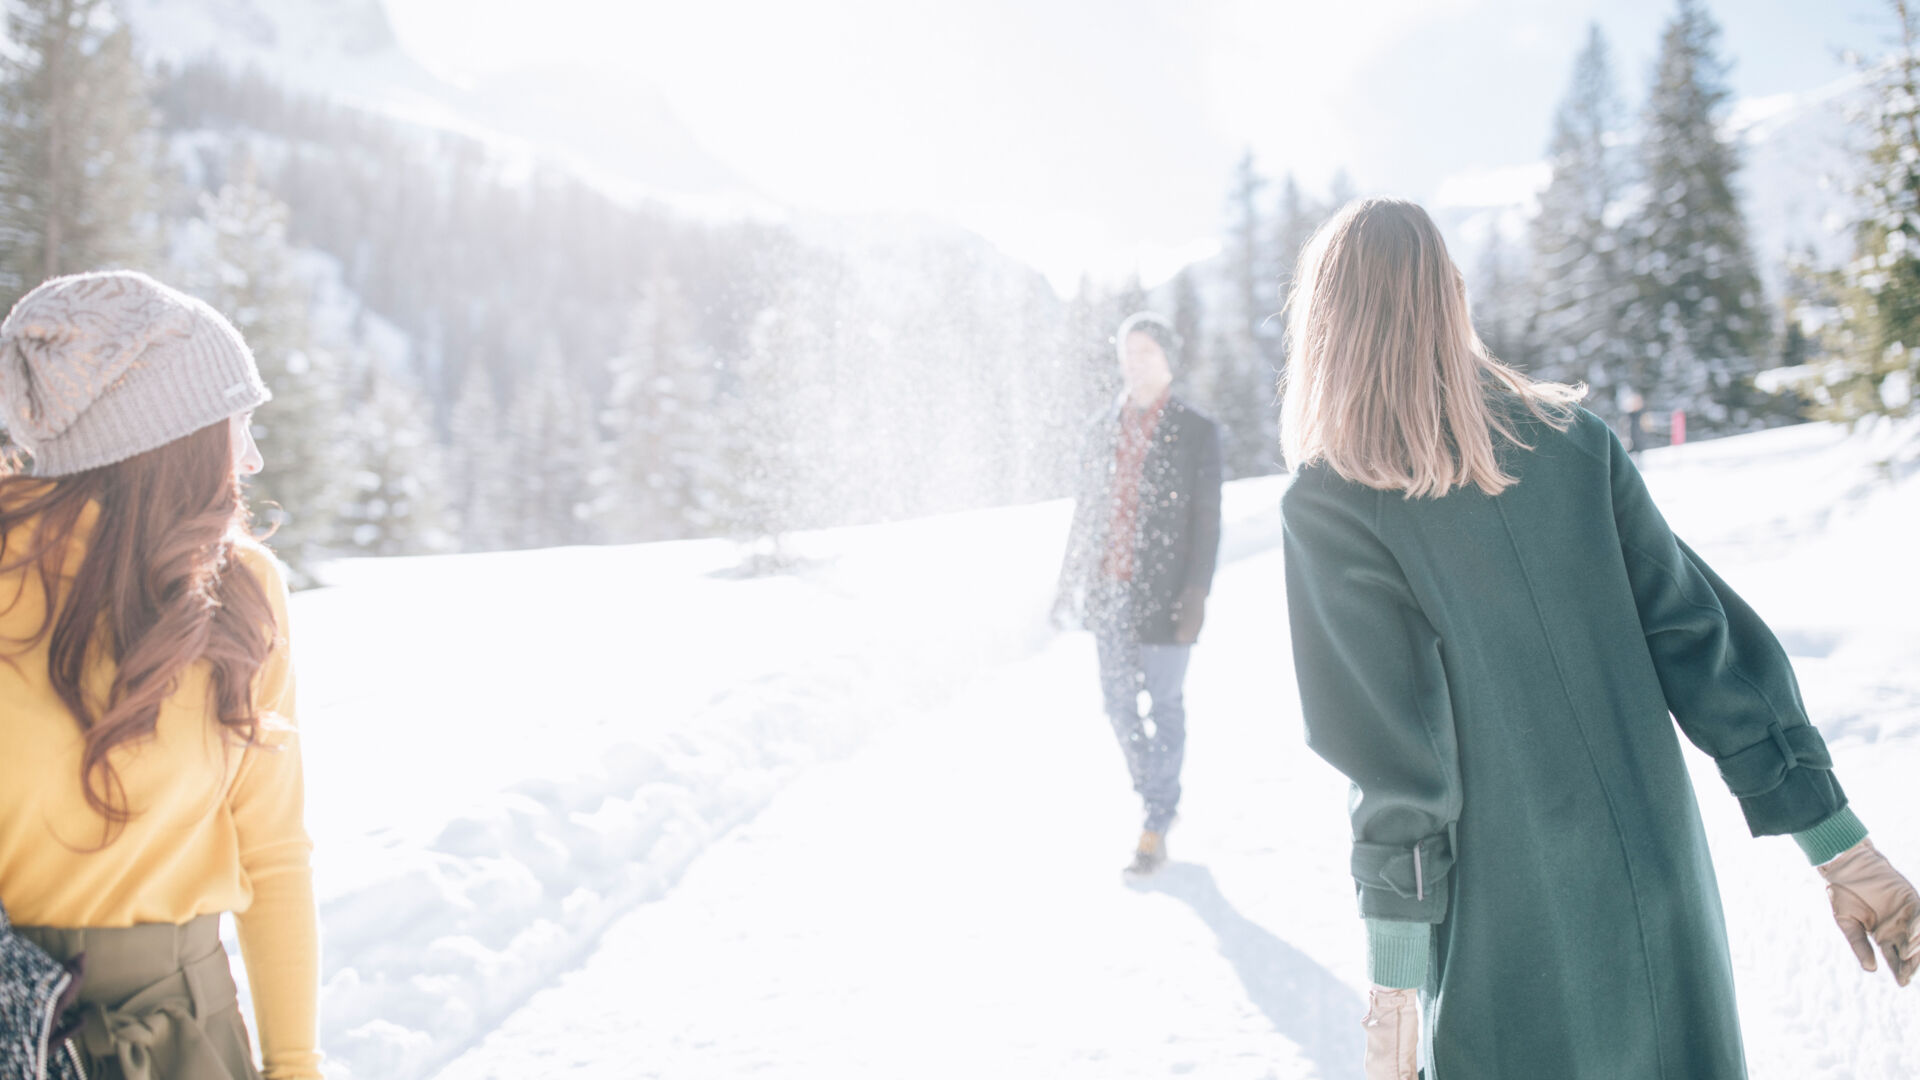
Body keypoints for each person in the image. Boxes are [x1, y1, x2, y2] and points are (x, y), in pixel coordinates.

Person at [1278, 199, 1918, 1080]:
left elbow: (1397, 764)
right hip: (1661, 887)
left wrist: (1394, 992)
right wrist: (1842, 847)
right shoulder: (1573, 444)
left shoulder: (1335, 500)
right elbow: (1708, 649)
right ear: (1448, 298)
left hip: (1511, 932)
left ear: (1324, 322)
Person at [0, 271, 322, 1079]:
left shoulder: (243, 590)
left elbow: (274, 851)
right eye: (234, 421)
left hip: (187, 1036)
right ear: (162, 438)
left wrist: (295, 1064)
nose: (249, 457)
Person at [1053, 311, 1223, 877]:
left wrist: (1196, 594)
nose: (1135, 361)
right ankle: (1155, 792)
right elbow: (1087, 512)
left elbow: (1207, 521)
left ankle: (1156, 818)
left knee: (1165, 703)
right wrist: (1066, 582)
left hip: (1167, 594)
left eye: (1147, 351)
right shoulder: (1100, 429)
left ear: (1169, 358)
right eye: (1128, 351)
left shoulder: (1196, 430)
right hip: (1109, 592)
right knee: (1118, 703)